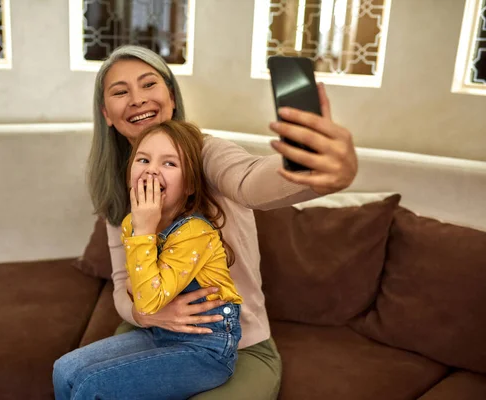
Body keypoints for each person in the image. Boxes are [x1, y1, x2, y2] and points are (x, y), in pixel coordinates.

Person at [57, 45, 358, 399]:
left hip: (237, 346)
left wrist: (311, 171)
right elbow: (124, 282)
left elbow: (249, 182)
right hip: (153, 330)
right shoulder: (123, 183)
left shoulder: (208, 154)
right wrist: (145, 315)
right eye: (121, 92)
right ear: (108, 113)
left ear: (170, 96)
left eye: (148, 84)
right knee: (75, 377)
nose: (137, 99)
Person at [53, 120, 244, 399]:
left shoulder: (194, 232)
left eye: (169, 163)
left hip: (207, 349)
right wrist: (142, 231)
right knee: (64, 369)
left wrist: (144, 232)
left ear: (190, 184)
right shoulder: (133, 223)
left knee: (90, 384)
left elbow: (147, 300)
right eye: (143, 159)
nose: (152, 169)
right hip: (160, 332)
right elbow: (134, 287)